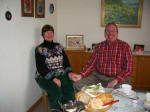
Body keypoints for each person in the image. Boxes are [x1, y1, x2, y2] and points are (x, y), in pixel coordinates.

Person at [69, 22, 133, 90]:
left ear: (117, 33)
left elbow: (128, 69)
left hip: (118, 78)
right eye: (107, 31)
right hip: (98, 77)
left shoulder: (125, 46)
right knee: (77, 85)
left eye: (113, 31)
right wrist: (81, 75)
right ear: (105, 33)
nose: (110, 33)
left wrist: (116, 80)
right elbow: (91, 64)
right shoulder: (99, 46)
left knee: (119, 93)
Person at [35, 24, 76, 110]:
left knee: (70, 90)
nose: (49, 34)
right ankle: (56, 109)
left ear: (53, 33)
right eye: (46, 32)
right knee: (56, 92)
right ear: (43, 34)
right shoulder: (39, 49)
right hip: (44, 77)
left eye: (51, 32)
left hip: (60, 73)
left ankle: (67, 108)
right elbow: (40, 67)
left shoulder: (59, 46)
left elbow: (66, 61)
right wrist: (53, 78)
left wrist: (69, 72)